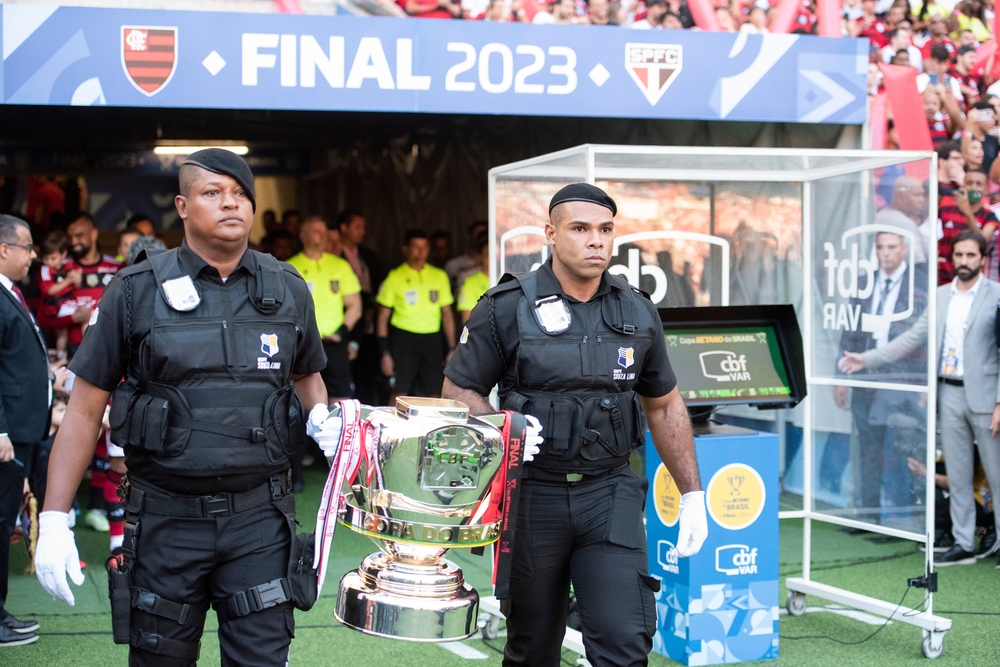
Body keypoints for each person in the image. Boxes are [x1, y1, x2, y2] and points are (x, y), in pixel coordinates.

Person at [33, 149, 329, 665]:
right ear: (183, 206)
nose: (230, 203)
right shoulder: (134, 290)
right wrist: (55, 520)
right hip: (166, 520)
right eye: (213, 193)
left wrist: (324, 420)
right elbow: (83, 411)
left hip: (260, 519)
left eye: (240, 194)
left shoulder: (286, 289)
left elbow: (307, 377)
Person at [442, 183, 708, 666]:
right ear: (550, 233)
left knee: (624, 642)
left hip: (608, 493)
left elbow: (664, 406)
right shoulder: (505, 306)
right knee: (533, 649)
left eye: (606, 229)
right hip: (531, 498)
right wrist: (504, 430)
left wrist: (693, 494)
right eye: (581, 228)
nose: (596, 241)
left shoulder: (637, 309)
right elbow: (458, 391)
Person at [839, 230, 1000, 565]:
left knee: (997, 475)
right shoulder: (941, 296)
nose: (964, 262)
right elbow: (911, 337)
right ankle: (963, 542)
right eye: (959, 255)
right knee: (957, 475)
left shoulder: (996, 295)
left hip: (986, 398)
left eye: (971, 256)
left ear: (983, 259)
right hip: (949, 394)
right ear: (951, 258)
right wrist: (866, 359)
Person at [833, 232, 928, 524]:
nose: (885, 253)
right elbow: (849, 331)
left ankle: (913, 522)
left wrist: (926, 384)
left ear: (904, 249)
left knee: (907, 448)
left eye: (891, 247)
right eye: (880, 248)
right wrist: (840, 376)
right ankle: (868, 515)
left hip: (905, 379)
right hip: (865, 376)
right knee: (868, 448)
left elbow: (924, 338)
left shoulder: (920, 283)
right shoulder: (864, 283)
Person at [0, 214, 49, 647]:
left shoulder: (10, 293)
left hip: (22, 432)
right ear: (3, 249)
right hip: (6, 438)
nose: (33, 255)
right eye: (27, 247)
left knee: (4, 523)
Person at [287, 216, 362, 485]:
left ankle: (340, 466)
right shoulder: (291, 266)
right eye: (316, 231)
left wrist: (344, 330)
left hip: (333, 343)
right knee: (297, 402)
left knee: (339, 402)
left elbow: (354, 304)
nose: (323, 236)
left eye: (325, 232)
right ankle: (297, 470)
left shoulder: (340, 266)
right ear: (304, 235)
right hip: (301, 344)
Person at [377, 229, 456, 401]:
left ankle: (434, 427)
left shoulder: (439, 276)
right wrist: (384, 352)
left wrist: (451, 348)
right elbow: (382, 317)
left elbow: (447, 314)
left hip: (432, 339)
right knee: (399, 392)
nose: (421, 252)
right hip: (403, 339)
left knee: (435, 392)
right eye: (416, 247)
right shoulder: (395, 277)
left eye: (424, 247)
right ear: (405, 249)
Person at [937, 169, 998, 283]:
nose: (973, 188)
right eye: (969, 183)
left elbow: (982, 242)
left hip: (972, 282)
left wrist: (968, 212)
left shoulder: (989, 216)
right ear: (963, 185)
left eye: (979, 184)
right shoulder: (945, 207)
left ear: (986, 189)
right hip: (942, 280)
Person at [37, 231, 76, 359]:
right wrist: (68, 281)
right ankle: (61, 357)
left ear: (63, 254)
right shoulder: (45, 270)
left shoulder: (69, 265)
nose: (48, 262)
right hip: (54, 308)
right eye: (45, 258)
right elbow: (48, 291)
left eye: (52, 258)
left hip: (64, 304)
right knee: (85, 313)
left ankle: (62, 356)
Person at [445, 220, 488, 296]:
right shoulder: (454, 266)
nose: (482, 238)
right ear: (469, 237)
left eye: (485, 234)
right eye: (478, 234)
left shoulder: (501, 269)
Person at [457, 236, 490, 324]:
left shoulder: (507, 279)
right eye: (488, 255)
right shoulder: (470, 283)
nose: (493, 258)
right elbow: (467, 318)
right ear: (480, 258)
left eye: (496, 254)